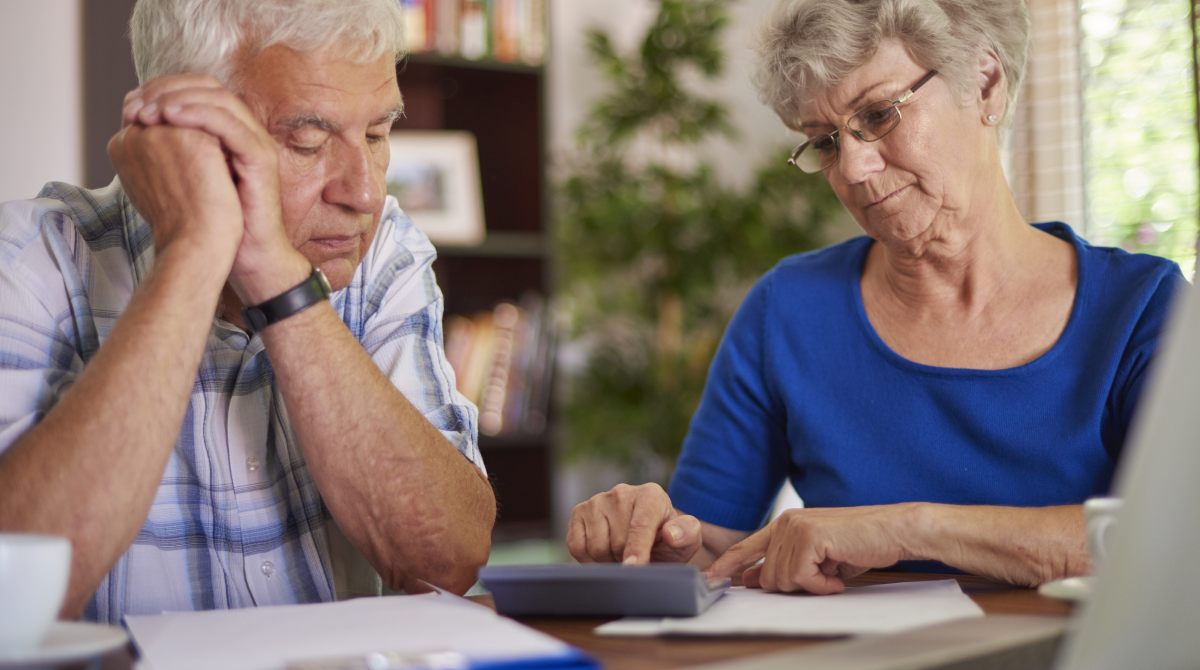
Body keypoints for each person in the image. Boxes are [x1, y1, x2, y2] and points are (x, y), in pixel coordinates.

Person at [567, 0, 1187, 594]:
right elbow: (711, 553)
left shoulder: (1141, 308)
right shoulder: (789, 311)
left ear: (986, 84)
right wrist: (649, 540)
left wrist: (908, 527)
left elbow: (1176, 535)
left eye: (879, 115)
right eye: (827, 142)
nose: (855, 170)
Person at [0, 0, 495, 622]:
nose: (365, 192)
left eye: (376, 135)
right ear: (182, 135)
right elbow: (11, 600)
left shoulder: (380, 256)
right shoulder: (26, 260)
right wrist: (193, 250)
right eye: (307, 141)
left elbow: (445, 561)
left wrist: (277, 279)